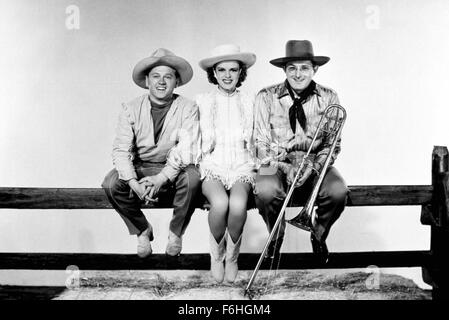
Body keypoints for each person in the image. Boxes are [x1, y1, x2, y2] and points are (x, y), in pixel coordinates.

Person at [253, 40, 349, 263]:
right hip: (274, 163)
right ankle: (276, 236)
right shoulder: (265, 97)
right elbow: (259, 143)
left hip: (315, 162)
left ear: (314, 69)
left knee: (338, 192)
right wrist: (285, 166)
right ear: (284, 70)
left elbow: (332, 143)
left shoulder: (329, 97)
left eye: (304, 67)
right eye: (292, 68)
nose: (298, 74)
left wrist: (313, 166)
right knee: (265, 189)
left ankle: (319, 233)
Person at [102, 48, 201, 258]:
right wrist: (132, 182)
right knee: (110, 184)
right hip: (141, 166)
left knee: (193, 179)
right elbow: (121, 149)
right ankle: (142, 229)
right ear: (147, 81)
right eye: (156, 76)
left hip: (174, 167)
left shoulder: (188, 107)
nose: (161, 82)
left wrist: (161, 178)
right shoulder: (130, 108)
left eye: (168, 76)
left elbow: (187, 148)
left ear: (177, 81)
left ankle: (176, 232)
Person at [196, 44, 256, 283]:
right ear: (214, 73)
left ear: (241, 72)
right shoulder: (203, 101)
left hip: (242, 166)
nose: (228, 75)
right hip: (214, 166)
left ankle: (232, 258)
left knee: (238, 204)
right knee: (220, 203)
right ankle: (216, 256)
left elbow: (261, 140)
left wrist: (265, 171)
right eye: (222, 70)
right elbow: (192, 140)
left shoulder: (251, 101)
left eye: (233, 69)